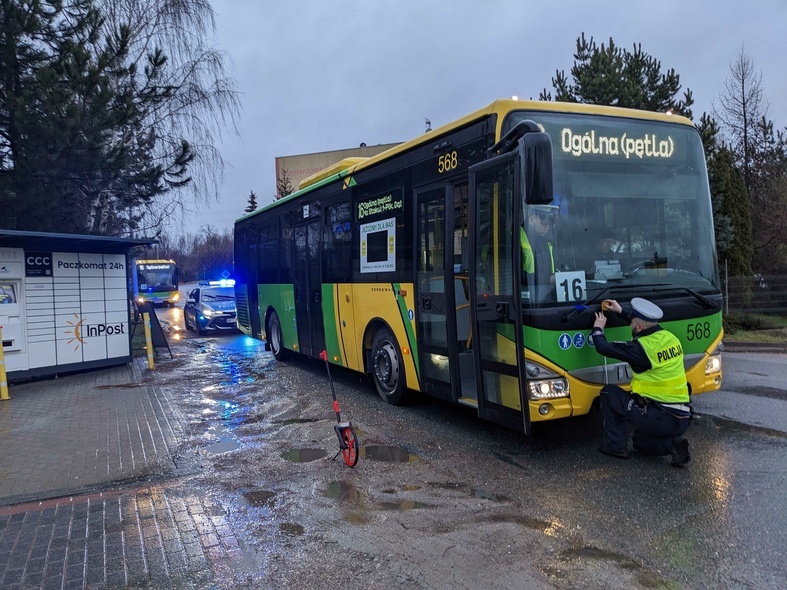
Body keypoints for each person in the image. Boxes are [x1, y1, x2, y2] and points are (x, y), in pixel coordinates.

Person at [591, 297, 692, 468]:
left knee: (608, 393)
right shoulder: (670, 337)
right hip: (682, 417)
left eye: (632, 323)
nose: (630, 324)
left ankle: (615, 446)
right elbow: (641, 323)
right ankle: (673, 444)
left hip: (659, 415)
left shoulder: (641, 349)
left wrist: (598, 329)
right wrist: (621, 311)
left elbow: (603, 347)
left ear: (639, 328)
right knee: (639, 442)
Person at [521, 205, 557, 298]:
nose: (546, 228)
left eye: (548, 224)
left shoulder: (545, 240)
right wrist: (548, 279)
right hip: (527, 299)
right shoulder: (518, 239)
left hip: (545, 296)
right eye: (543, 223)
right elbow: (516, 276)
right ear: (531, 220)